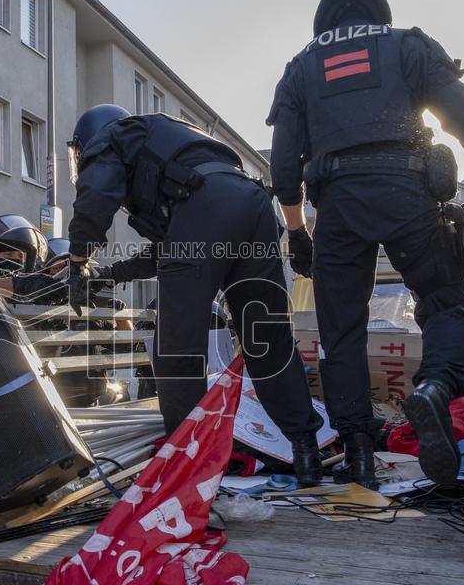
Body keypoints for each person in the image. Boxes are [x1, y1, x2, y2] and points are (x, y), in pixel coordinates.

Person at [266, 0, 464, 486]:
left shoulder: (301, 67)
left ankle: (359, 451)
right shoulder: (407, 44)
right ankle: (433, 388)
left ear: (326, 20)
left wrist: (298, 233)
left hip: (338, 205)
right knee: (443, 303)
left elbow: (283, 164)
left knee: (341, 329)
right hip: (407, 188)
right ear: (375, 12)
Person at [65, 104, 323, 485]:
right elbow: (172, 249)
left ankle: (184, 467)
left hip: (206, 212)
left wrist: (77, 259)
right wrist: (108, 274)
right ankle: (306, 449)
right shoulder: (169, 150)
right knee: (266, 339)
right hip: (253, 207)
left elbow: (96, 194)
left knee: (178, 348)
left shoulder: (112, 136)